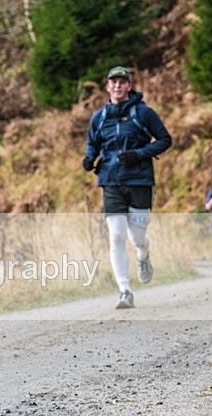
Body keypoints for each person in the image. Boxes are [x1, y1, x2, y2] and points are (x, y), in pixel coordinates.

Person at [82, 66, 172, 309]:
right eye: (114, 82)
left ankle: (144, 254)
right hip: (111, 181)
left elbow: (165, 140)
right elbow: (93, 143)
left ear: (129, 86)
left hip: (140, 180)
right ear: (108, 87)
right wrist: (89, 158)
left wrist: (139, 154)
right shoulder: (99, 117)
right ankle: (124, 291)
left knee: (137, 237)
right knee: (117, 237)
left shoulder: (143, 113)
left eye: (123, 82)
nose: (118, 86)